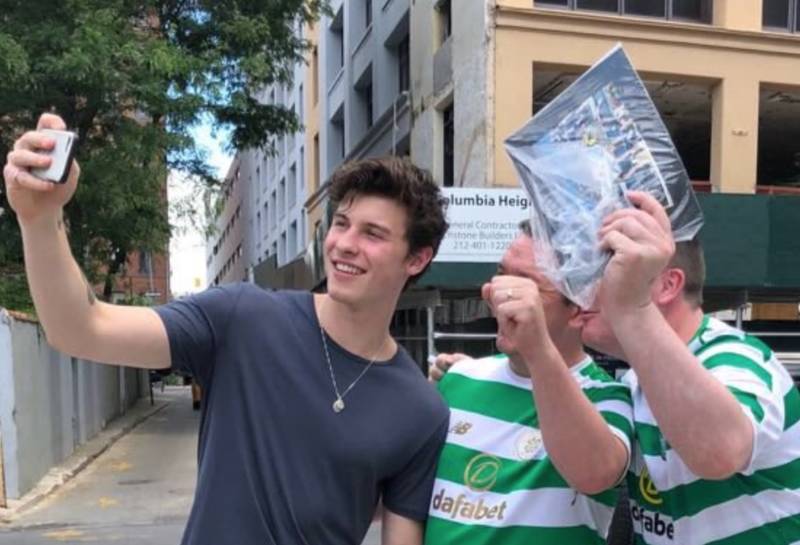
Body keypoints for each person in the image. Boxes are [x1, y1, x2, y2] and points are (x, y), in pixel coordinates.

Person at [3, 113, 451, 545]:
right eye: (340, 223)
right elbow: (81, 328)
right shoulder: (243, 318)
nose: (345, 245)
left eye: (373, 234)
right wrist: (39, 219)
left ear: (417, 259)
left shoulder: (421, 412)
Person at [581, 191, 800, 544]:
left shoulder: (736, 358)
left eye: (604, 271)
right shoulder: (638, 377)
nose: (582, 290)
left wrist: (632, 306)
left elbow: (721, 450)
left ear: (667, 285)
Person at [426, 221, 634, 544]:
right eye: (501, 274)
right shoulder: (459, 380)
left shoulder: (608, 397)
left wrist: (537, 349)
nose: (497, 296)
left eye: (526, 286)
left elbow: (597, 472)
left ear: (579, 309)